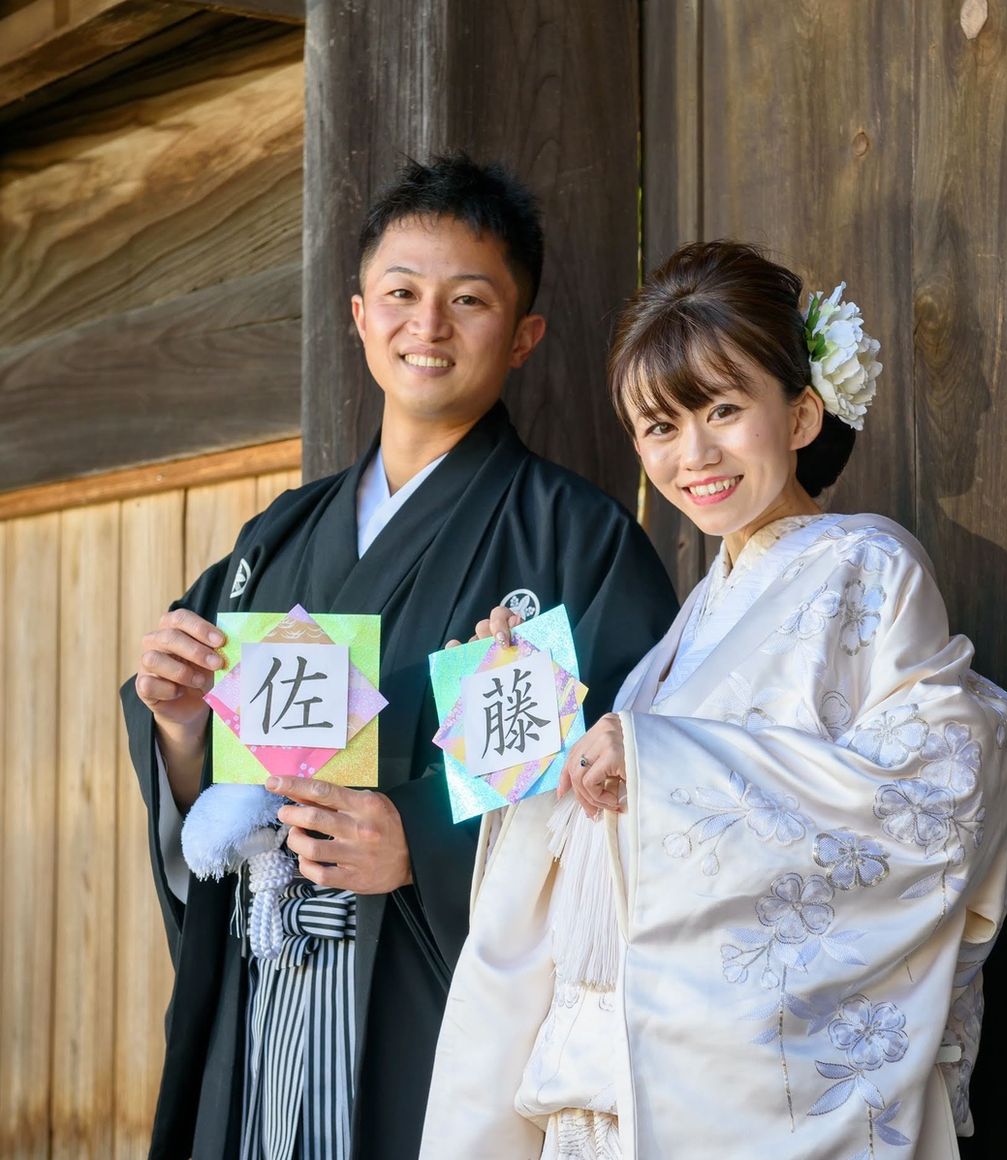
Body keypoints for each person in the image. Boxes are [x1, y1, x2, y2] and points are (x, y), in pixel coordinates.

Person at [420, 241, 1007, 1159]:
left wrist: (657, 765)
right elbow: (601, 843)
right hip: (599, 1090)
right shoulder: (679, 638)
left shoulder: (868, 566)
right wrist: (522, 719)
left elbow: (933, 798)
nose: (694, 454)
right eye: (659, 427)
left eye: (722, 409)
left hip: (726, 1091)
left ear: (800, 413)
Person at [121, 153, 677, 1160]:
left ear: (523, 335)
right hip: (265, 987)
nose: (428, 325)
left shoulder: (577, 542)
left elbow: (625, 791)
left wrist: (422, 841)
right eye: (401, 293)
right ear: (358, 314)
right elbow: (199, 799)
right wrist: (180, 726)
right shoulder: (276, 540)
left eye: (468, 300)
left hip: (435, 1009)